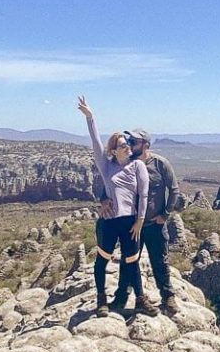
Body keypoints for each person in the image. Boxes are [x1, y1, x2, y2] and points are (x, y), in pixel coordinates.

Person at [77, 96, 157, 317]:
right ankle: (101, 300)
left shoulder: (138, 166)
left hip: (130, 222)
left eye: (128, 143)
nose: (128, 146)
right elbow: (96, 143)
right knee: (102, 261)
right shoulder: (107, 166)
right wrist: (91, 118)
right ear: (114, 150)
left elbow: (144, 194)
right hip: (109, 222)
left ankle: (140, 299)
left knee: (132, 261)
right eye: (123, 145)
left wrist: (140, 220)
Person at [99, 128, 180, 314]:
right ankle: (121, 298)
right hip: (131, 225)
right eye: (129, 140)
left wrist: (165, 214)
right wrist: (103, 199)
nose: (130, 143)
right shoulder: (127, 163)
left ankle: (168, 297)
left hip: (154, 224)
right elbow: (109, 184)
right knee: (129, 262)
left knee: (160, 261)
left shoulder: (160, 164)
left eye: (134, 141)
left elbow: (174, 190)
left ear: (145, 145)